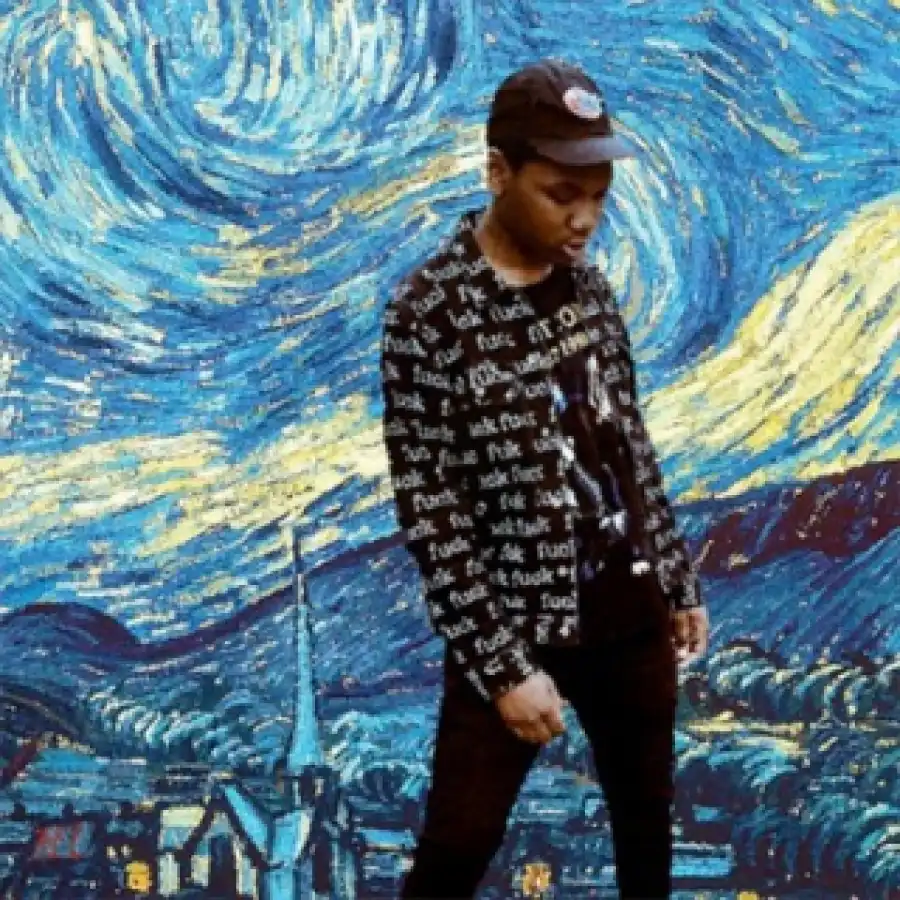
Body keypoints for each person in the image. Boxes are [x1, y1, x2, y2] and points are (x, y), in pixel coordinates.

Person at [380, 58, 709, 900]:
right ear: (499, 172)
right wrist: (502, 669)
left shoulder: (591, 292)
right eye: (562, 194)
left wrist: (676, 578)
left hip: (632, 623)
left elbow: (628, 444)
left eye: (598, 196)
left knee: (647, 840)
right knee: (456, 849)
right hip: (517, 631)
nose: (585, 218)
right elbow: (432, 511)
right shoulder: (428, 314)